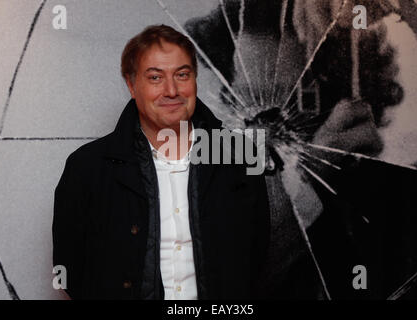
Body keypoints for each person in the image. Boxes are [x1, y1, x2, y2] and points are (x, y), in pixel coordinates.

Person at [52, 25, 270, 300]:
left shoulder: (238, 155)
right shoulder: (87, 167)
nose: (171, 90)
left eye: (182, 75)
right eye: (155, 77)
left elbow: (259, 258)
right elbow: (71, 268)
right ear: (132, 85)